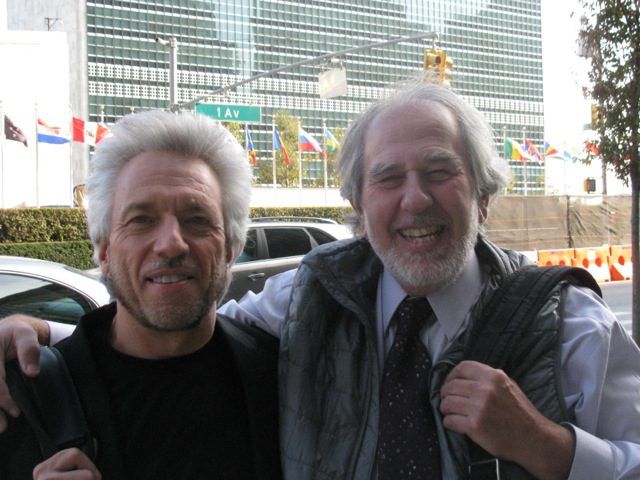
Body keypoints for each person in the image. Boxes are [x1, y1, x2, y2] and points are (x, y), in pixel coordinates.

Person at [2, 79, 640, 479]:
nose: (414, 200)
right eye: (388, 179)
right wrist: (35, 333)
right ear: (360, 210)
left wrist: (551, 448)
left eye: (440, 171)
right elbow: (180, 323)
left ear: (482, 199)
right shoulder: (310, 296)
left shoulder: (570, 327)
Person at [0, 110, 281, 479]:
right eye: (141, 220)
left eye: (197, 220)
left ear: (230, 248)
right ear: (104, 252)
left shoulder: (285, 378)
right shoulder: (21, 400)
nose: (170, 244)